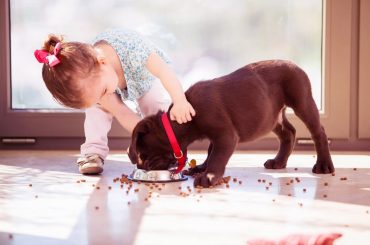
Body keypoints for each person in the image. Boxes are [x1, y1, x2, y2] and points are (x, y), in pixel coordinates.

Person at [34, 28, 196, 174]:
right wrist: (139, 139)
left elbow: (164, 71)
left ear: (102, 62)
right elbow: (122, 112)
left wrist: (180, 100)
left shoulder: (135, 51)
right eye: (96, 98)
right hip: (108, 80)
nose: (102, 99)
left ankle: (166, 152)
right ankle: (93, 152)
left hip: (144, 78)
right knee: (96, 112)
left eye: (102, 92)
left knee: (155, 107)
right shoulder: (94, 77)